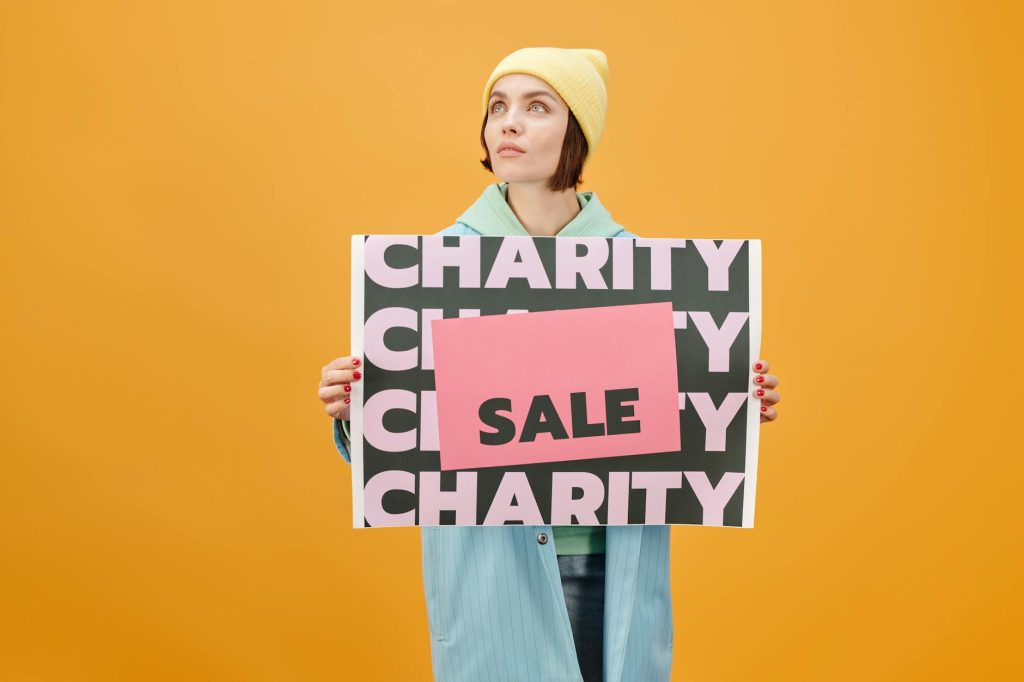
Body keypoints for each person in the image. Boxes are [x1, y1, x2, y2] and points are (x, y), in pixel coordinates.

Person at [318, 47, 782, 682]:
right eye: (498, 107)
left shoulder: (644, 270)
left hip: (605, 561)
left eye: (537, 107)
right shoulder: (430, 270)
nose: (509, 123)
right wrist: (357, 411)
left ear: (576, 133)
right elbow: (408, 449)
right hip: (491, 569)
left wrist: (733, 398)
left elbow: (675, 425)